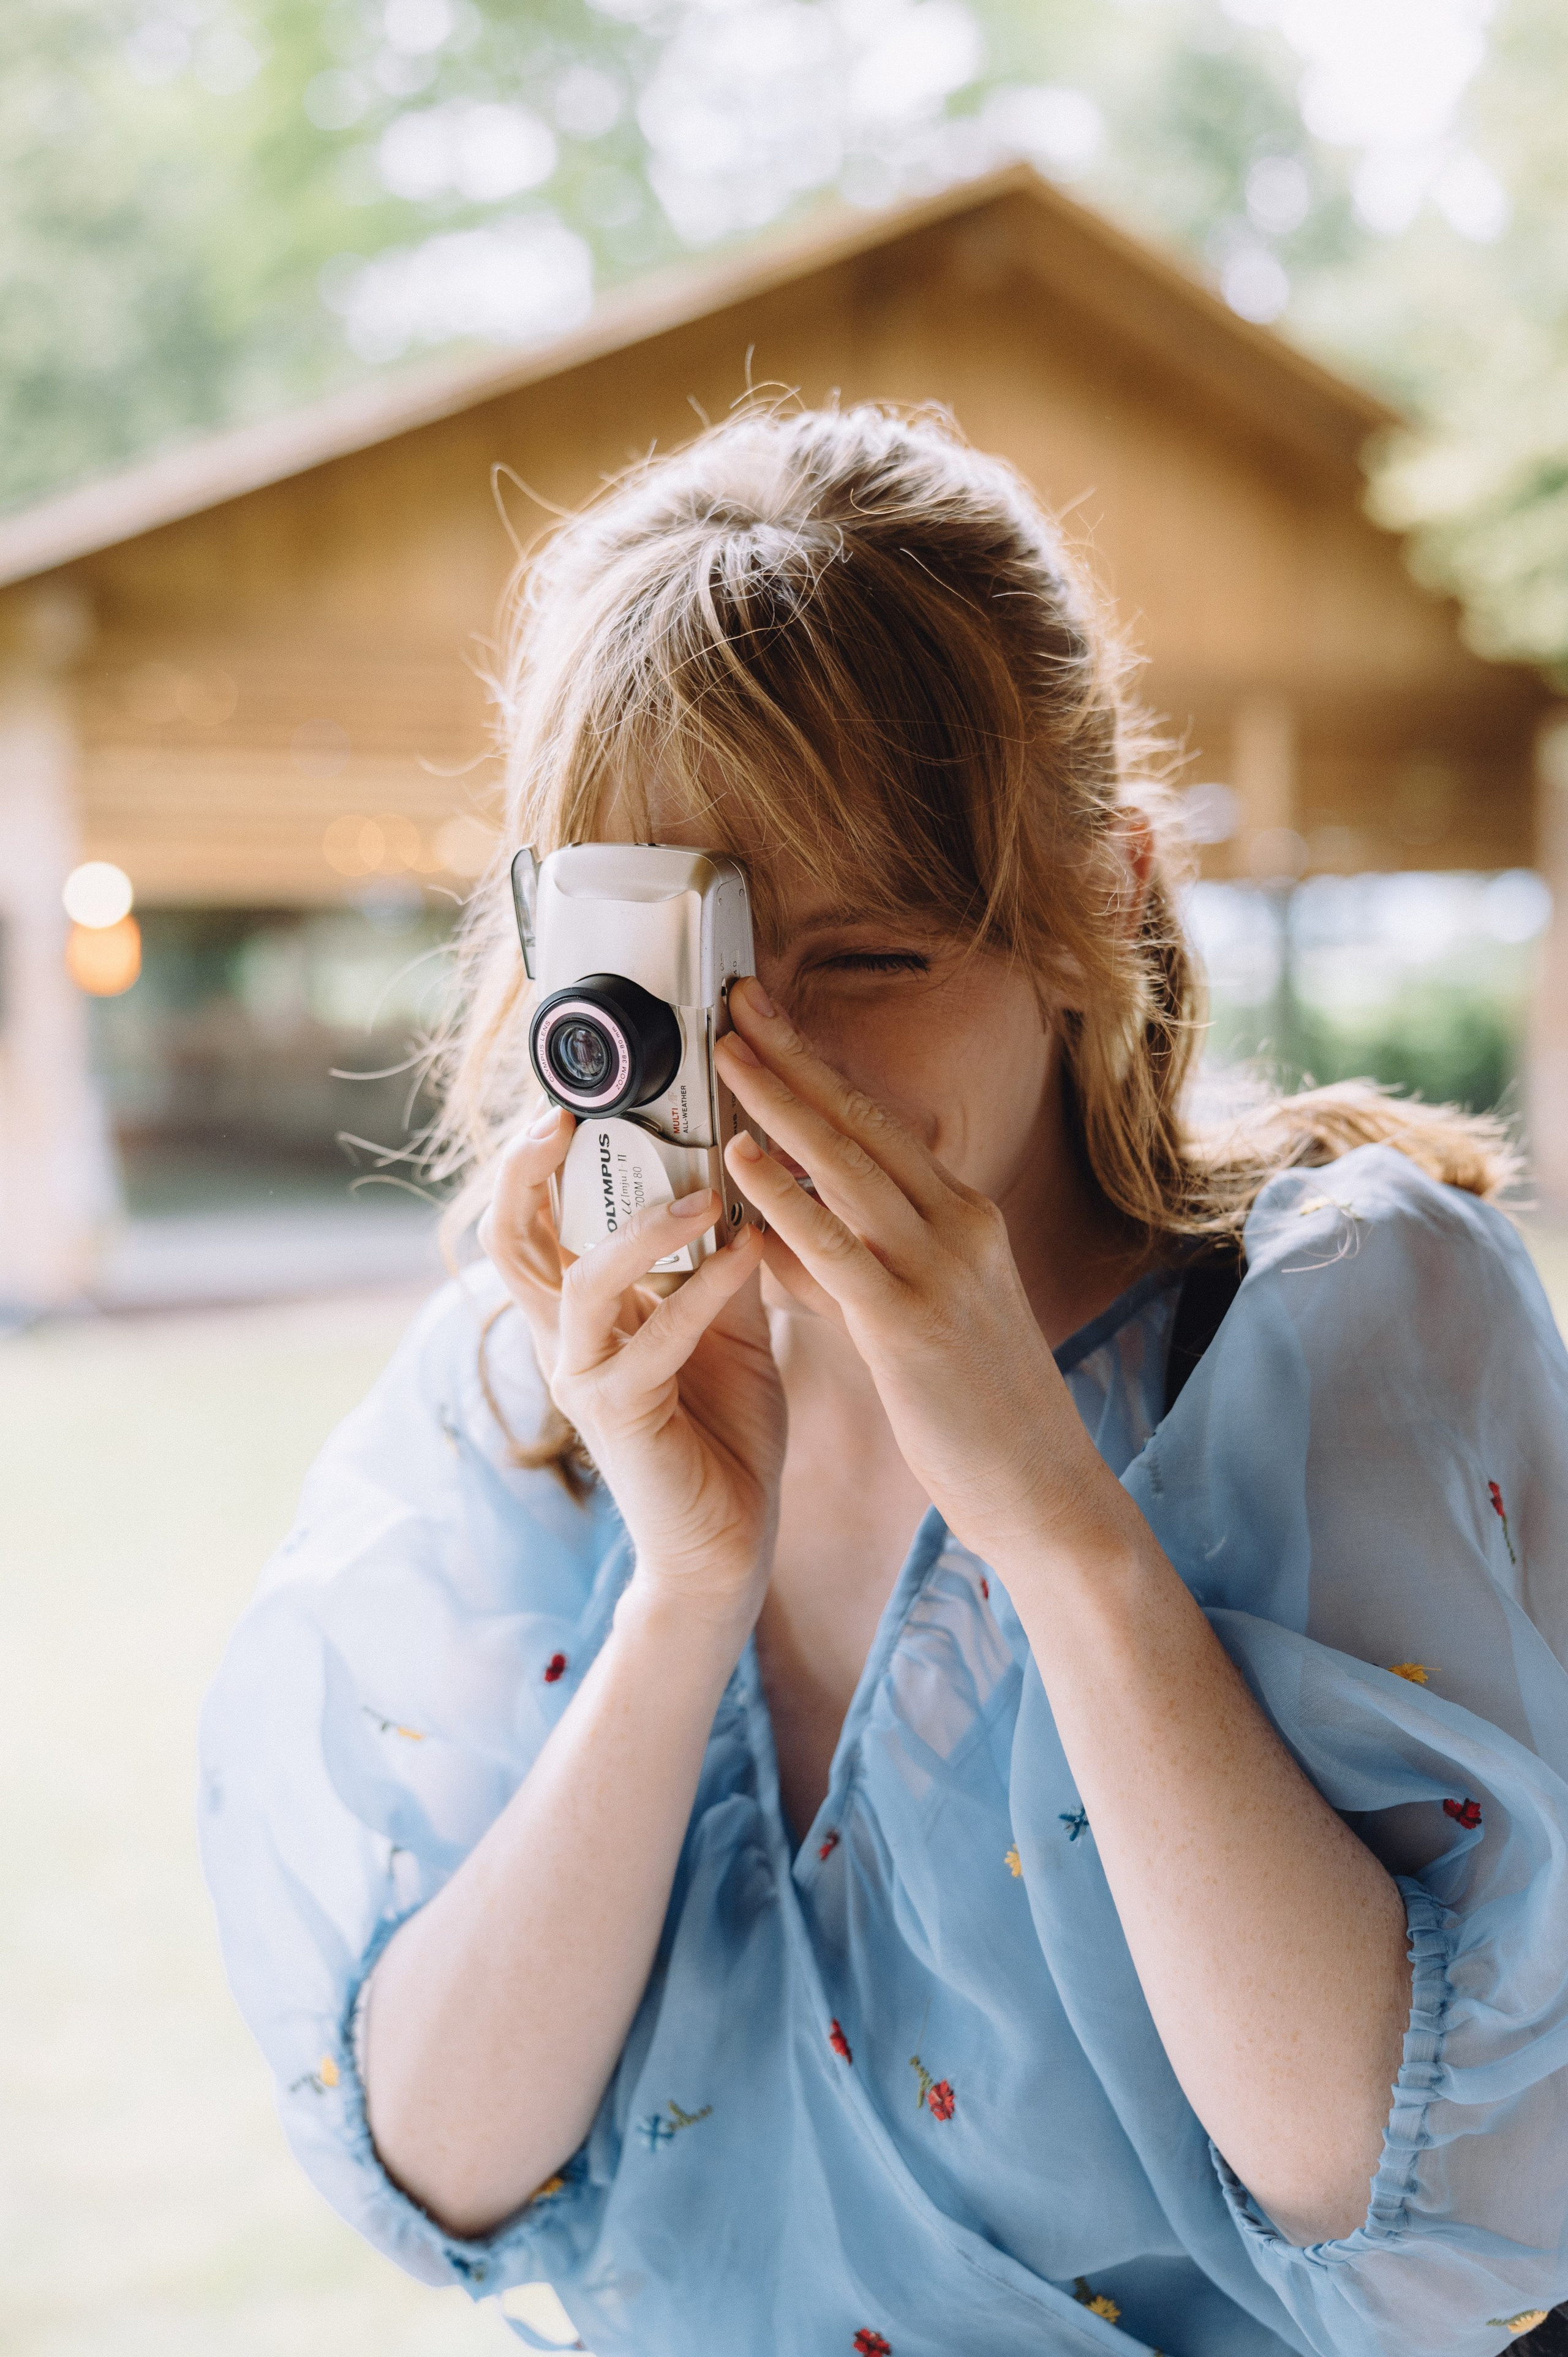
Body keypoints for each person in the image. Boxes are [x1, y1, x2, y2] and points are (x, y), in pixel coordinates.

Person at [200, 406, 1568, 2357]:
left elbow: (1401, 2194)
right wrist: (684, 1600)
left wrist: (1059, 1526)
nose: (770, 1067)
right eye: (679, 970)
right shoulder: (526, 1393)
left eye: (864, 956)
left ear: (1096, 904)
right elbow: (451, 2169)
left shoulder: (1330, 1322)